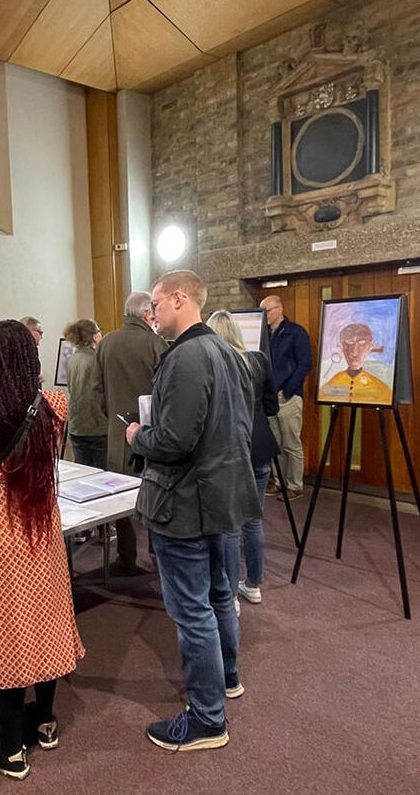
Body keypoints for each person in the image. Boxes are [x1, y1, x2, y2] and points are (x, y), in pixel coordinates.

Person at [126, 271, 259, 752]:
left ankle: (207, 720)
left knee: (191, 611)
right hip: (220, 497)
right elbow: (235, 430)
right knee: (220, 594)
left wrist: (138, 436)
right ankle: (226, 679)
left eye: (157, 304)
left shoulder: (185, 357)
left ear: (179, 299)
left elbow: (175, 440)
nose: (152, 314)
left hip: (184, 502)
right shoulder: (229, 353)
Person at [0, 320, 85, 780]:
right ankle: (44, 721)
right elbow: (49, 456)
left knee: (4, 625)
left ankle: (9, 748)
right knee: (44, 617)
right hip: (38, 524)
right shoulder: (55, 405)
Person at [207, 310, 279, 607]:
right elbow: (272, 406)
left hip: (229, 451)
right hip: (260, 448)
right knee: (253, 520)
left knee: (228, 525)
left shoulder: (215, 365)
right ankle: (253, 584)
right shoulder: (259, 361)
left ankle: (228, 593)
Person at [96, 291, 168, 576]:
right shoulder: (157, 344)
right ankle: (158, 557)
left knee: (119, 498)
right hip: (151, 435)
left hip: (117, 435)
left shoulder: (106, 344)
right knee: (155, 496)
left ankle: (125, 556)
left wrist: (114, 422)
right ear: (146, 314)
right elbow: (166, 393)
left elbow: (96, 391)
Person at [260, 295, 311, 501]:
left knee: (291, 443)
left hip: (288, 397)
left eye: (267, 311)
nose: (264, 316)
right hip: (270, 398)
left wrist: (288, 390)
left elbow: (305, 364)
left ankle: (295, 485)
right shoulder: (264, 335)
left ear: (279, 310)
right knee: (276, 443)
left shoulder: (296, 333)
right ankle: (280, 481)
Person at [63, 319, 107, 468]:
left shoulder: (71, 360)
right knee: (102, 474)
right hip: (97, 425)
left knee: (83, 470)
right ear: (95, 336)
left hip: (76, 424)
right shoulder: (97, 359)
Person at [317, 323, 394, 404]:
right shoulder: (329, 386)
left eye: (361, 344)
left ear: (370, 346)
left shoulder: (383, 391)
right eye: (348, 344)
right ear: (341, 347)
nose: (354, 352)